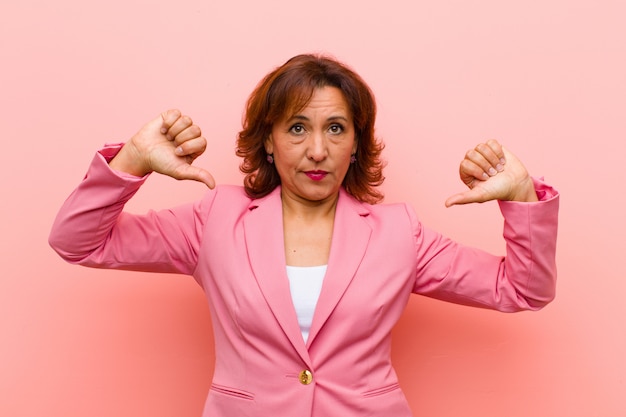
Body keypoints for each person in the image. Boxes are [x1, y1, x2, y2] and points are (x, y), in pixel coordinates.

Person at [49, 54, 559, 417]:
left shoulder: (400, 233)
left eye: (336, 128)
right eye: (297, 128)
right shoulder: (215, 220)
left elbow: (523, 289)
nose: (317, 150)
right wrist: (133, 159)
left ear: (356, 144)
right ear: (268, 141)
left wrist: (520, 197)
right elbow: (78, 241)